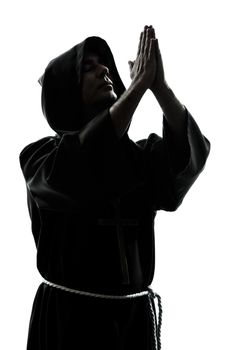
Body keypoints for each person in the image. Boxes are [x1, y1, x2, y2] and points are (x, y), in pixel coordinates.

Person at [19, 25, 210, 350]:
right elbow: (82, 164)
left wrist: (159, 87)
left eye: (103, 63)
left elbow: (184, 163)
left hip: (133, 322)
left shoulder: (135, 158)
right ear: (65, 87)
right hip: (69, 322)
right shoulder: (42, 159)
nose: (104, 69)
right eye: (87, 67)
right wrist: (135, 88)